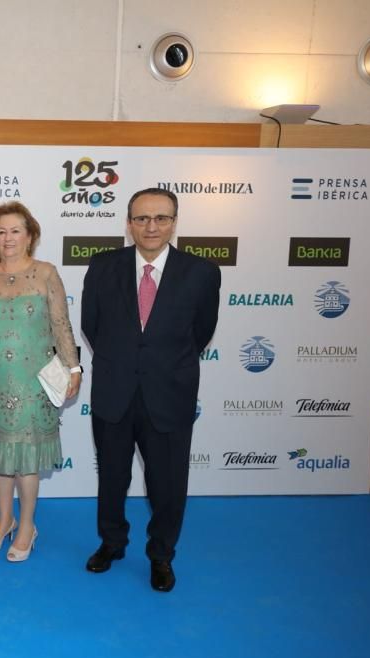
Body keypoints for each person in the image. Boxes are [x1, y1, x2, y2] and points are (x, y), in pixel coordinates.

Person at [82, 187, 220, 592]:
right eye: (142, 218)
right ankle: (111, 543)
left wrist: (161, 363)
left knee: (168, 483)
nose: (151, 226)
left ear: (175, 222)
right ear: (128, 223)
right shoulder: (103, 266)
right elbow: (93, 326)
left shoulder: (201, 272)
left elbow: (201, 332)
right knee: (111, 478)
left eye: (161, 218)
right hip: (114, 391)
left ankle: (161, 555)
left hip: (169, 393)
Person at [0, 201, 81, 562]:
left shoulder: (46, 273)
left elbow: (61, 324)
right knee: (0, 456)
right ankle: (4, 520)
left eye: (15, 230)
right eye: (1, 231)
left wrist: (74, 368)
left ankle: (27, 525)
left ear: (30, 236)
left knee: (27, 458)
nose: (8, 238)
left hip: (33, 382)